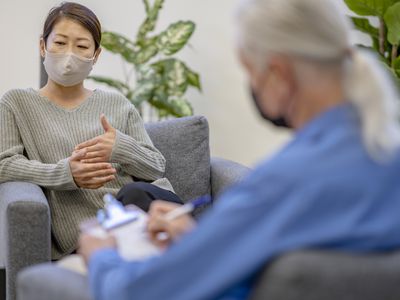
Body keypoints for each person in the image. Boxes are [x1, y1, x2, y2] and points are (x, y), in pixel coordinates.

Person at [78, 0, 400, 299]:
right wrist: (200, 240)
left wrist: (101, 252)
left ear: (277, 73)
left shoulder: (286, 181)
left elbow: (140, 293)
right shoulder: (386, 155)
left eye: (251, 72)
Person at [0, 2, 182, 260]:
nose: (69, 55)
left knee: (133, 194)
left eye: (82, 46)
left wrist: (121, 147)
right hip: (89, 234)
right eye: (60, 43)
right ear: (43, 46)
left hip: (145, 208)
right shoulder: (16, 103)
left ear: (95, 55)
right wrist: (65, 173)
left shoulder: (118, 104)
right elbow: (4, 165)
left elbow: (156, 167)